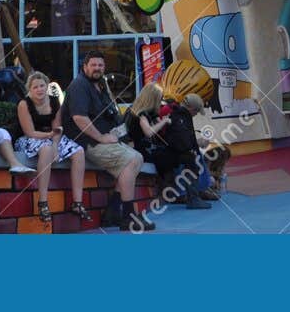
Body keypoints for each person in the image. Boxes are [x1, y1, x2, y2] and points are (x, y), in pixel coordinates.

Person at [62, 52, 150, 231]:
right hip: (88, 142)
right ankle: (128, 216)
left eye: (100, 65)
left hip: (106, 140)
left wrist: (125, 139)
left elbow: (113, 115)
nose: (97, 68)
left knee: (137, 158)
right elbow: (79, 118)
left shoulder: (100, 85)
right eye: (93, 65)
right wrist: (101, 137)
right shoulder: (79, 86)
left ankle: (113, 212)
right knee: (132, 160)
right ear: (85, 66)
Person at [16, 71, 87, 223]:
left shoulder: (54, 102)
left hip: (51, 136)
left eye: (42, 86)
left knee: (79, 151)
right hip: (30, 138)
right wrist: (50, 140)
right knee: (46, 150)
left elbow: (57, 128)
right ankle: (43, 202)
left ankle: (77, 202)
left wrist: (55, 144)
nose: (40, 89)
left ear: (47, 86)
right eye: (35, 87)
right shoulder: (24, 104)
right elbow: (29, 132)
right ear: (30, 89)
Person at [127, 83, 207, 209]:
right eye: (159, 98)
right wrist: (164, 121)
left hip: (153, 151)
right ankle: (193, 199)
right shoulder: (141, 113)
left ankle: (177, 195)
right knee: (188, 157)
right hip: (146, 153)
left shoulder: (150, 113)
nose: (161, 101)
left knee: (182, 153)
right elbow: (148, 132)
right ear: (152, 98)